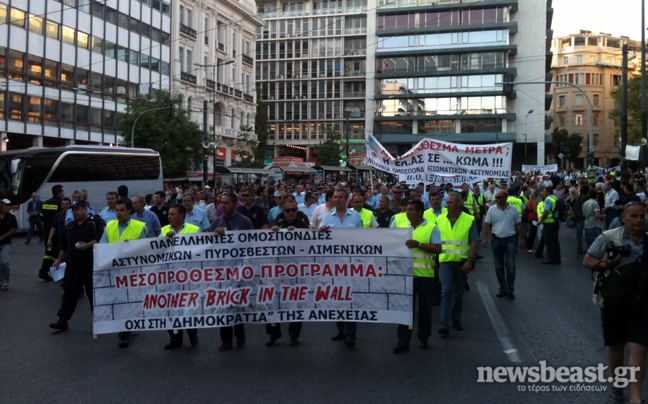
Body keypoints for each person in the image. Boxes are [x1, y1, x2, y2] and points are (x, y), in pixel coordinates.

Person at [583, 200, 648, 404]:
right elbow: (587, 261)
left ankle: (636, 397)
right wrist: (605, 264)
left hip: (642, 303)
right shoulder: (609, 237)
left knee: (639, 347)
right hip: (614, 302)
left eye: (641, 216)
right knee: (616, 346)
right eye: (633, 216)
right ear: (623, 218)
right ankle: (618, 384)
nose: (639, 220)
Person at [393, 199, 441, 353]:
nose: (407, 213)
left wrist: (419, 244)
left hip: (425, 276)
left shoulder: (431, 228)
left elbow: (438, 248)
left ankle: (423, 337)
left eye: (411, 210)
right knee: (405, 311)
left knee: (425, 310)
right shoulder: (402, 227)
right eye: (407, 209)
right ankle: (403, 341)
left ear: (420, 211)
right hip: (405, 275)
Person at [49, 200, 104, 330]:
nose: (75, 212)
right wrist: (58, 260)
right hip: (73, 265)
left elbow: (101, 240)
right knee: (69, 292)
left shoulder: (95, 223)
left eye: (78, 209)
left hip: (91, 264)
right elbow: (64, 245)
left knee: (93, 293)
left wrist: (87, 245)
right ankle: (63, 319)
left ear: (85, 209)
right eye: (73, 210)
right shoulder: (71, 225)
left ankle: (99, 320)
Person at [100, 199, 147, 348]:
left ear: (129, 211)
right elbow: (103, 246)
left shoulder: (140, 226)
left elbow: (147, 250)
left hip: (132, 272)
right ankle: (126, 327)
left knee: (127, 302)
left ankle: (124, 333)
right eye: (117, 210)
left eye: (121, 210)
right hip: (115, 271)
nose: (118, 213)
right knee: (120, 302)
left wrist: (132, 247)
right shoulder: (110, 226)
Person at [320, 188, 363, 348]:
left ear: (346, 200)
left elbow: (362, 238)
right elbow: (321, 243)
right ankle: (341, 328)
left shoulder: (356, 216)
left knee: (351, 299)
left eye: (340, 197)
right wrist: (321, 233)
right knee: (338, 298)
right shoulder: (326, 217)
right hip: (334, 265)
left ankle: (351, 333)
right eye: (335, 197)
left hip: (351, 264)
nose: (337, 200)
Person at [210, 192, 253, 351]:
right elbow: (209, 245)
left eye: (227, 202)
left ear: (235, 204)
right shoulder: (217, 222)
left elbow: (252, 244)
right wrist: (214, 234)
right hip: (222, 270)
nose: (223, 205)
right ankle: (226, 339)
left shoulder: (245, 221)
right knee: (224, 304)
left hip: (240, 269)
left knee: (237, 303)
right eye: (222, 202)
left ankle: (240, 334)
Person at [266, 198, 310, 347]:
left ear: (297, 210)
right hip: (278, 271)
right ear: (283, 211)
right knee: (274, 302)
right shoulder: (277, 225)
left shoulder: (303, 226)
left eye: (293, 210)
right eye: (288, 210)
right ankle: (274, 333)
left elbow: (311, 246)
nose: (291, 213)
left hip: (297, 271)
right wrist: (272, 234)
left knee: (296, 303)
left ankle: (294, 335)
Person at [436, 192, 480, 334]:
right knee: (446, 291)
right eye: (447, 202)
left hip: (462, 262)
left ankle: (455, 319)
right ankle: (444, 323)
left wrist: (470, 260)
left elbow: (474, 240)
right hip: (445, 261)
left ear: (459, 203)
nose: (447, 205)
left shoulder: (468, 219)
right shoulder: (440, 219)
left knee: (458, 293)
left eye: (451, 203)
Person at [160, 204, 200, 349]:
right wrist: (165, 239)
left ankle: (192, 333)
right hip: (169, 275)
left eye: (172, 214)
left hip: (188, 275)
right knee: (170, 307)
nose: (169, 216)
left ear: (182, 216)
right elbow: (157, 250)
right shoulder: (164, 230)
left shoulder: (194, 229)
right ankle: (175, 338)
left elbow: (201, 249)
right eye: (169, 214)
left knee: (188, 306)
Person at [482, 190, 524, 300]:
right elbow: (486, 224)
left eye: (499, 197)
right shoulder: (492, 209)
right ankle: (502, 288)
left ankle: (510, 289)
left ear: (505, 197)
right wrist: (484, 238)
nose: (496, 199)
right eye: (496, 197)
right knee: (499, 266)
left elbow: (518, 225)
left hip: (511, 239)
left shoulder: (513, 209)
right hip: (496, 240)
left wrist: (522, 239)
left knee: (510, 266)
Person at [38, 184, 64, 281]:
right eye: (63, 191)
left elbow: (41, 216)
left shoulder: (46, 202)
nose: (64, 193)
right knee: (58, 252)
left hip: (46, 231)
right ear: (59, 193)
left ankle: (44, 272)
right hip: (56, 231)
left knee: (49, 252)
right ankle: (53, 273)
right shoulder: (61, 203)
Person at [537, 186, 561, 265]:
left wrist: (541, 221)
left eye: (544, 191)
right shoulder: (554, 198)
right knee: (555, 241)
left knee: (549, 242)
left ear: (548, 192)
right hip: (555, 222)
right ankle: (557, 258)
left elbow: (546, 212)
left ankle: (550, 258)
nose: (543, 193)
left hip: (548, 223)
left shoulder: (548, 200)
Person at [0, 199, 18, 290]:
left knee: (4, 262)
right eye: (6, 206)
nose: (8, 208)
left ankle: (5, 280)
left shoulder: (11, 217)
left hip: (5, 243)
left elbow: (13, 229)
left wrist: (2, 238)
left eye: (9, 206)